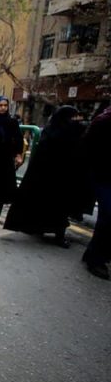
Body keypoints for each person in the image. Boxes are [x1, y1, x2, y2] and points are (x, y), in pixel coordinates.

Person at [4, 106, 88, 247]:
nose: (75, 120)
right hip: (51, 179)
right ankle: (48, 231)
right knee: (54, 207)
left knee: (58, 209)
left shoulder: (62, 131)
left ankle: (53, 232)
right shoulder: (56, 132)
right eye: (73, 117)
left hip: (60, 179)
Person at [82, 105, 111, 279]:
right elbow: (87, 148)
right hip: (104, 176)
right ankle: (96, 259)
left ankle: (95, 253)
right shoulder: (103, 121)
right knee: (108, 217)